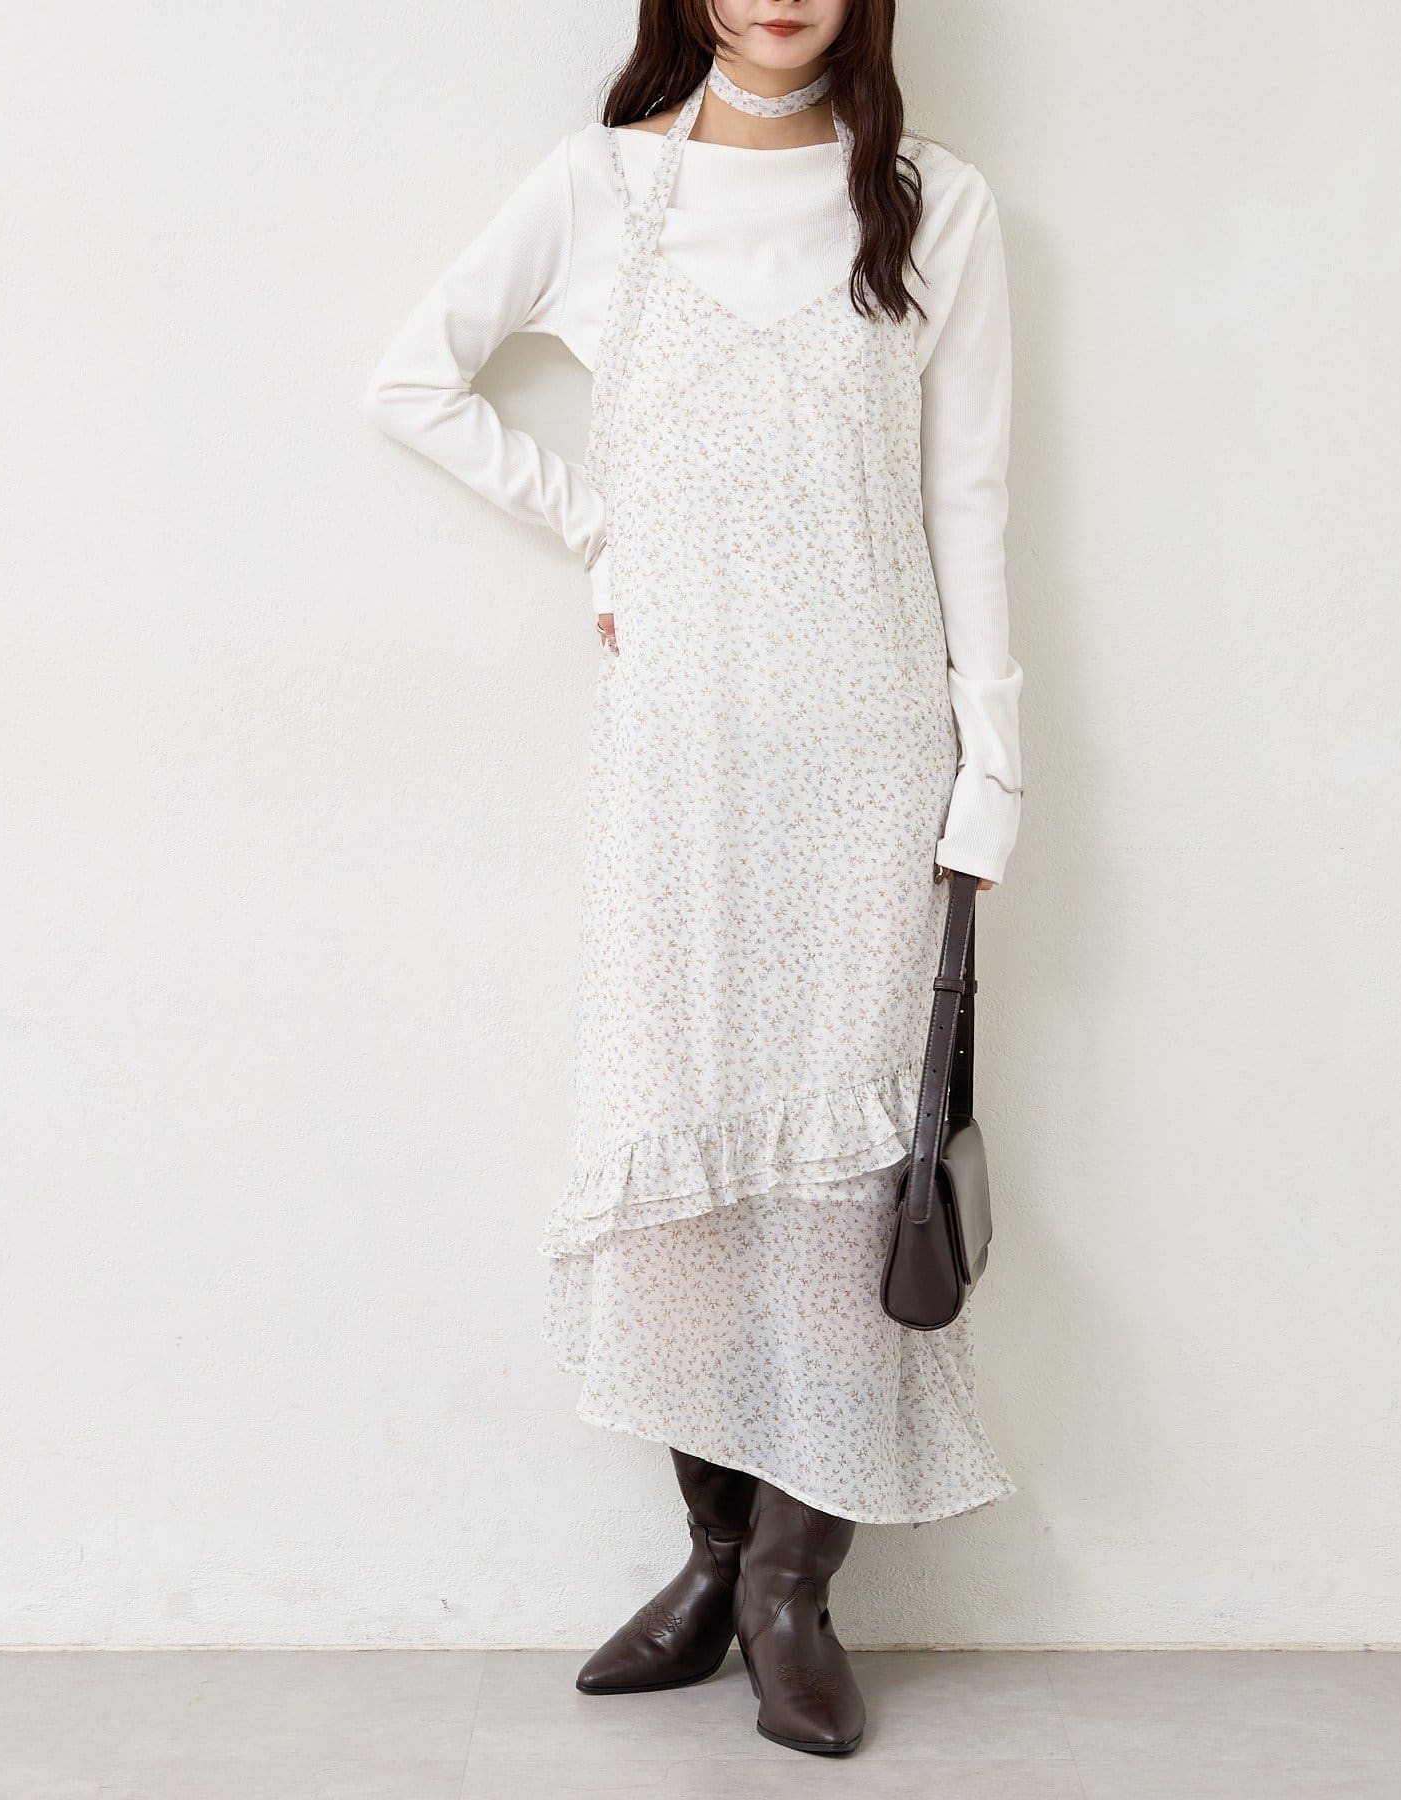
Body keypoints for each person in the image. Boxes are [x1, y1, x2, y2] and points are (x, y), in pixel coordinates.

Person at [365, 0, 1022, 1758]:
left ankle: (797, 1588)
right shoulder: (603, 187)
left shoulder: (932, 202)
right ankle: (713, 1559)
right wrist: (601, 527)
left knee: (847, 1172)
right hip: (682, 755)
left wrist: (996, 767)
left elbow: (969, 503)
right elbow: (413, 379)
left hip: (875, 745)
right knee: (688, 1130)